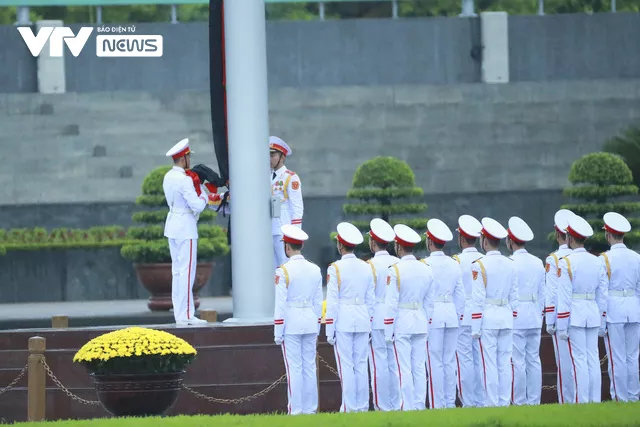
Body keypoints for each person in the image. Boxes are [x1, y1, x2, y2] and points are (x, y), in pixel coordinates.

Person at [163, 138, 218, 326]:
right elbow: (197, 205)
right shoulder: (185, 179)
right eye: (188, 157)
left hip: (172, 225)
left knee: (177, 272)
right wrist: (204, 194)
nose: (190, 161)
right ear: (184, 158)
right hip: (185, 226)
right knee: (187, 272)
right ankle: (186, 315)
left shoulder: (168, 176)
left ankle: (179, 314)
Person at [556, 215, 608, 404]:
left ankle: (582, 401)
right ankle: (594, 400)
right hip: (592, 311)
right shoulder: (598, 261)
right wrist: (602, 317)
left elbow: (564, 296)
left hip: (575, 314)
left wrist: (561, 324)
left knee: (579, 360)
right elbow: (603, 294)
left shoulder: (566, 262)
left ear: (569, 238)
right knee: (592, 358)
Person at [325, 222, 375, 412]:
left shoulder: (335, 268)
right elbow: (370, 300)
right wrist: (369, 322)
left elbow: (333, 302)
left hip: (344, 319)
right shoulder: (366, 267)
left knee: (346, 365)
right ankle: (361, 406)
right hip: (362, 318)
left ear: (340, 245)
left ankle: (349, 406)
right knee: (361, 365)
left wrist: (329, 329)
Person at [273, 224, 323, 415]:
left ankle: (296, 410)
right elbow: (318, 302)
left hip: (291, 322)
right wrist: (317, 325)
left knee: (294, 368)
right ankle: (310, 409)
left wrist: (278, 331)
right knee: (309, 367)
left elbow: (280, 304)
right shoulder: (314, 269)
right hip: (310, 320)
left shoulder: (283, 271)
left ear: (287, 247)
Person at [384, 224, 434, 411]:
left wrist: (388, 330)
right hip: (420, 319)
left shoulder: (395, 269)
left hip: (403, 321)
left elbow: (391, 304)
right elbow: (430, 303)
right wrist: (427, 322)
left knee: (403, 368)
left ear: (398, 246)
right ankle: (420, 406)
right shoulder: (426, 268)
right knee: (419, 368)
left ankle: (406, 406)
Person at [470, 217, 518, 407]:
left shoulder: (479, 264)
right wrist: (512, 316)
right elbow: (514, 296)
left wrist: (475, 326)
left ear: (484, 241)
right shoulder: (510, 263)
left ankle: (491, 403)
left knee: (489, 364)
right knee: (504, 363)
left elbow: (478, 298)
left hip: (488, 317)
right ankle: (504, 402)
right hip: (506, 315)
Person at [423, 218, 465, 409]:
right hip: (451, 314)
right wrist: (457, 315)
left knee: (434, 362)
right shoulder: (454, 263)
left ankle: (438, 404)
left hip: (433, 314)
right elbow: (460, 297)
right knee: (449, 361)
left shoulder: (425, 264)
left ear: (430, 241)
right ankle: (449, 402)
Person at [599, 212, 640, 402]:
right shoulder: (636, 257)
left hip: (614, 310)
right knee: (632, 357)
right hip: (633, 309)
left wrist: (602, 316)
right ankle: (633, 396)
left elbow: (603, 291)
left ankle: (620, 398)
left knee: (617, 358)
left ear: (608, 235)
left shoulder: (605, 259)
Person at [507, 216, 545, 406]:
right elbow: (542, 293)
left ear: (511, 241)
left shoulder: (510, 262)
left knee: (518, 361)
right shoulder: (538, 261)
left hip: (517, 315)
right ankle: (534, 401)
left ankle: (520, 401)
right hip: (534, 314)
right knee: (534, 360)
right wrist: (539, 313)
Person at [366, 218, 400, 411]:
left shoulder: (370, 265)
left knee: (379, 363)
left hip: (378, 317)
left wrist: (369, 320)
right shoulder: (398, 262)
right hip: (396, 318)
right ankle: (396, 403)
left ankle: (382, 405)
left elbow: (369, 297)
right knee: (394, 363)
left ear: (373, 242)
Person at [452, 214, 485, 408]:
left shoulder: (457, 260)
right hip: (481, 314)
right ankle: (481, 400)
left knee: (464, 360)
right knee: (481, 358)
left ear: (462, 239)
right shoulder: (484, 259)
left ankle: (469, 402)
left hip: (464, 315)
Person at [544, 209, 576, 404]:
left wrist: (550, 320)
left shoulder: (554, 259)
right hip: (583, 314)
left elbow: (552, 293)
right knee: (584, 361)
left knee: (565, 363)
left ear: (558, 234)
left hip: (562, 316)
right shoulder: (584, 257)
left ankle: (567, 400)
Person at [270, 136, 304, 270]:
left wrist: (295, 235)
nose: (269, 158)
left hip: (283, 230)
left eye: (273, 155)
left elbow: (297, 207)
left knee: (286, 268)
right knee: (272, 271)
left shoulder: (290, 177)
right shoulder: (265, 175)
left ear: (282, 157)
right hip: (268, 230)